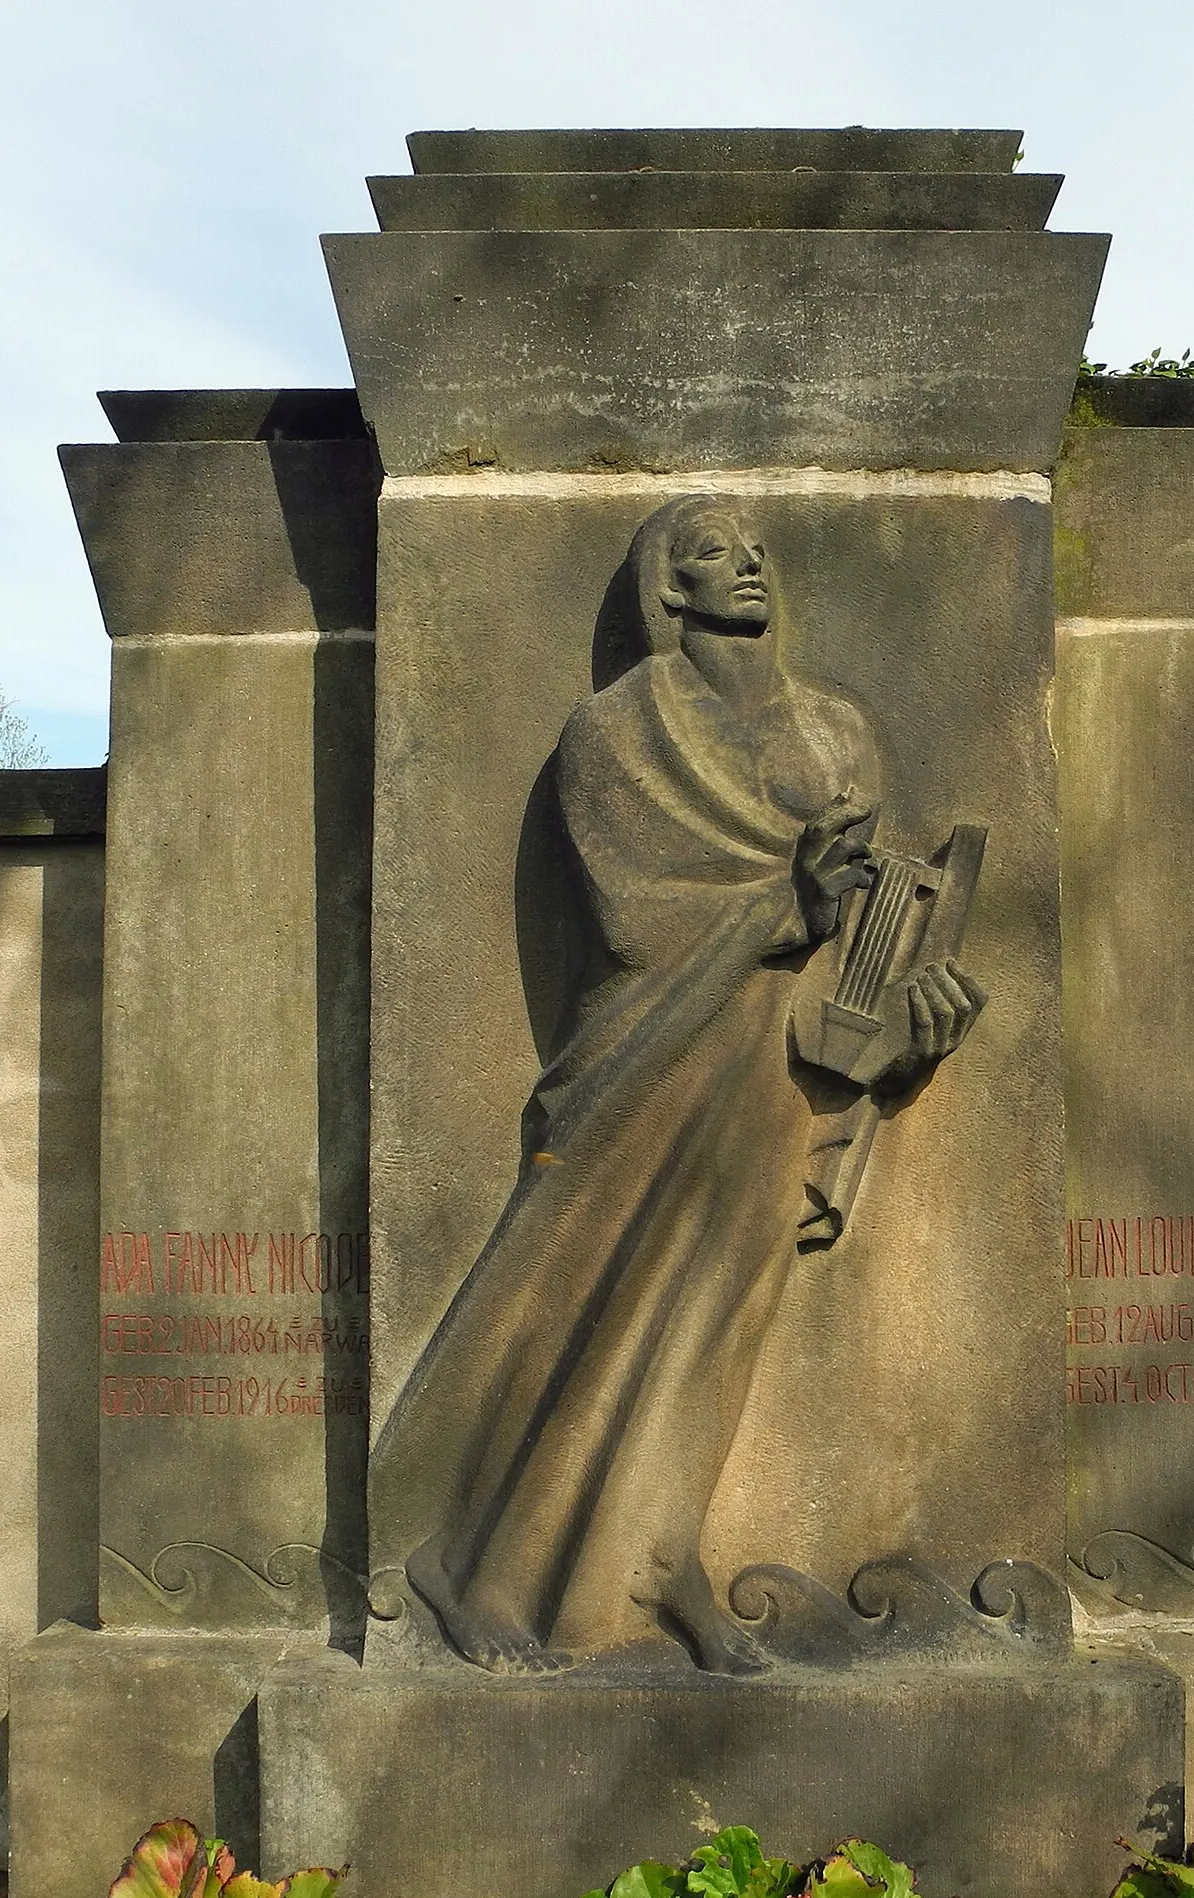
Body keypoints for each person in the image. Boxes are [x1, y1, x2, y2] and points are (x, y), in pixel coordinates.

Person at [368, 495, 985, 1674]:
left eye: (754, 547)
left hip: (780, 1064)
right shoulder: (612, 734)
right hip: (649, 1052)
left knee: (717, 1323)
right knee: (585, 1302)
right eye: (710, 549)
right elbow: (634, 918)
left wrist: (911, 1014)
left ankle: (667, 1558)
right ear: (668, 587)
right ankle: (470, 1562)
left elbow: (871, 921)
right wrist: (780, 904)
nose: (746, 561)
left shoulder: (839, 731)